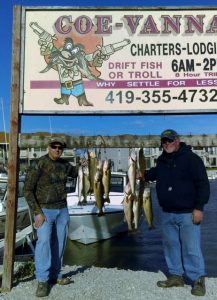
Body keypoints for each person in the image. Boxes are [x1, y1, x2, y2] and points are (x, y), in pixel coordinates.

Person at [144, 129, 210, 297]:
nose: (167, 144)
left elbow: (203, 185)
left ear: (178, 140)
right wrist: (141, 174)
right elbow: (154, 174)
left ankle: (197, 280)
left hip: (188, 213)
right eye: (164, 141)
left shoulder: (191, 159)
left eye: (170, 140)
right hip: (167, 213)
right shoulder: (161, 160)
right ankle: (175, 276)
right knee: (171, 246)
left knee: (191, 248)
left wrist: (199, 208)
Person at [24, 137, 77, 297]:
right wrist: (37, 212)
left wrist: (85, 164)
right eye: (54, 146)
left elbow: (75, 172)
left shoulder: (64, 164)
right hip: (44, 211)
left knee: (59, 243)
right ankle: (42, 280)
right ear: (48, 147)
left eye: (60, 147)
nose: (57, 149)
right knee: (44, 243)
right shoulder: (38, 164)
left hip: (62, 209)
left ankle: (55, 274)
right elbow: (27, 190)